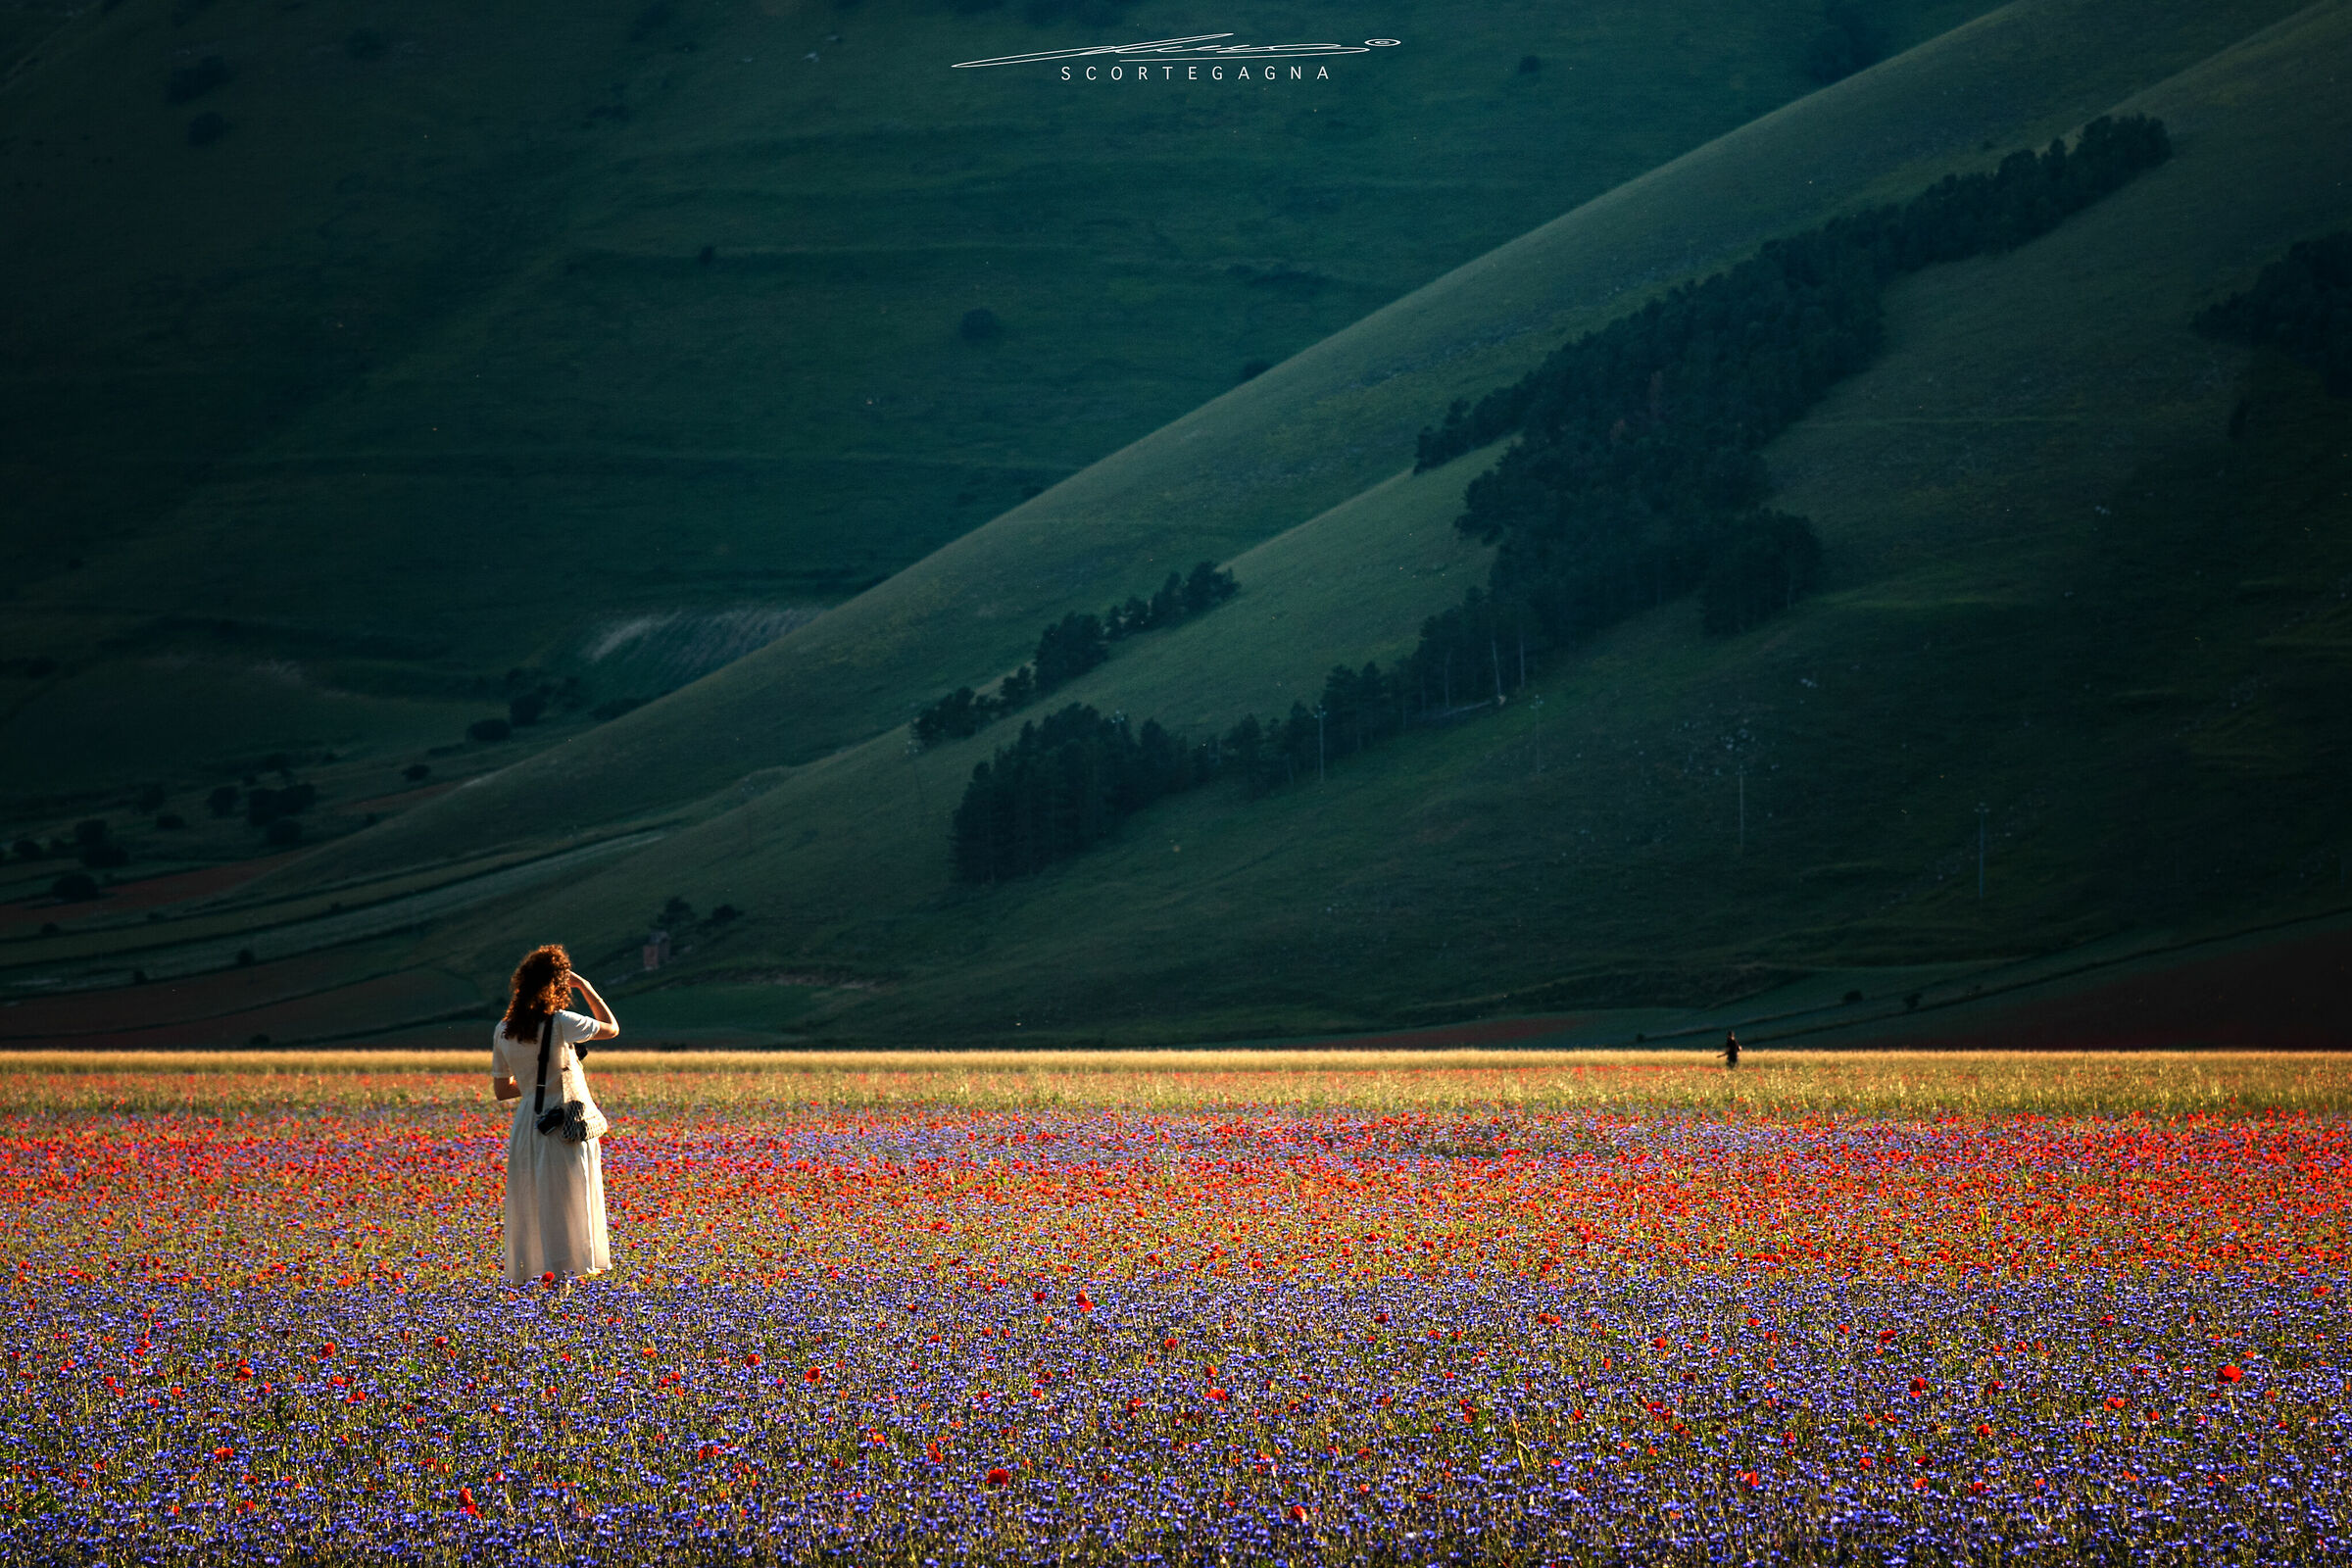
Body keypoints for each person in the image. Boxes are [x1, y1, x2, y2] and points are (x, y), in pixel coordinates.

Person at [489, 944, 618, 1290]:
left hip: (528, 1123)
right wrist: (586, 987)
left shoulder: (503, 1029)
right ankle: (571, 1272)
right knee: (570, 1195)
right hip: (565, 1122)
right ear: (556, 985)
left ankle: (539, 1270)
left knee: (536, 1196)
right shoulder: (562, 1022)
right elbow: (611, 1028)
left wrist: (535, 1081)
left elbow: (502, 1090)